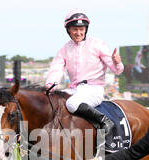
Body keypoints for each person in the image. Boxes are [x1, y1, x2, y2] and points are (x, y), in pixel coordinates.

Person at [45, 9, 124, 138]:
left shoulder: (97, 44)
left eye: (81, 29)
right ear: (68, 30)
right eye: (75, 29)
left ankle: (105, 121)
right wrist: (50, 86)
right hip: (75, 90)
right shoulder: (64, 49)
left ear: (86, 29)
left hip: (94, 89)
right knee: (54, 102)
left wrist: (117, 62)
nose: (79, 32)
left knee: (71, 104)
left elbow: (117, 70)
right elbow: (56, 69)